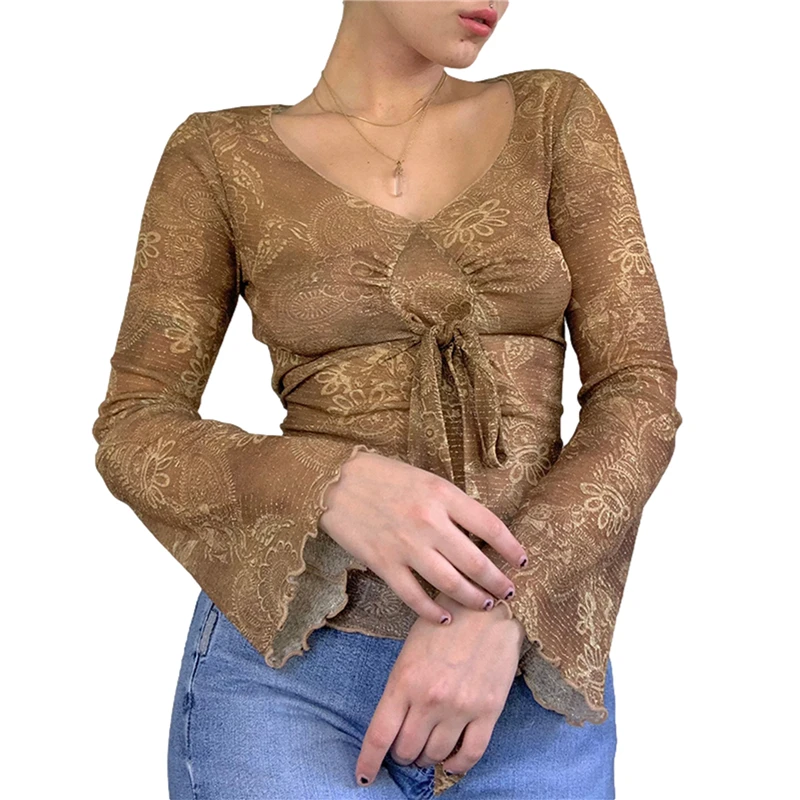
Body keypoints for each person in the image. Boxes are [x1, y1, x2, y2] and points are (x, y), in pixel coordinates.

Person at [91, 1, 683, 797]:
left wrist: (507, 607)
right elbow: (135, 427)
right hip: (289, 679)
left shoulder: (555, 114)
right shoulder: (219, 155)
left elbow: (638, 395)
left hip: (527, 681)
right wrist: (333, 485)